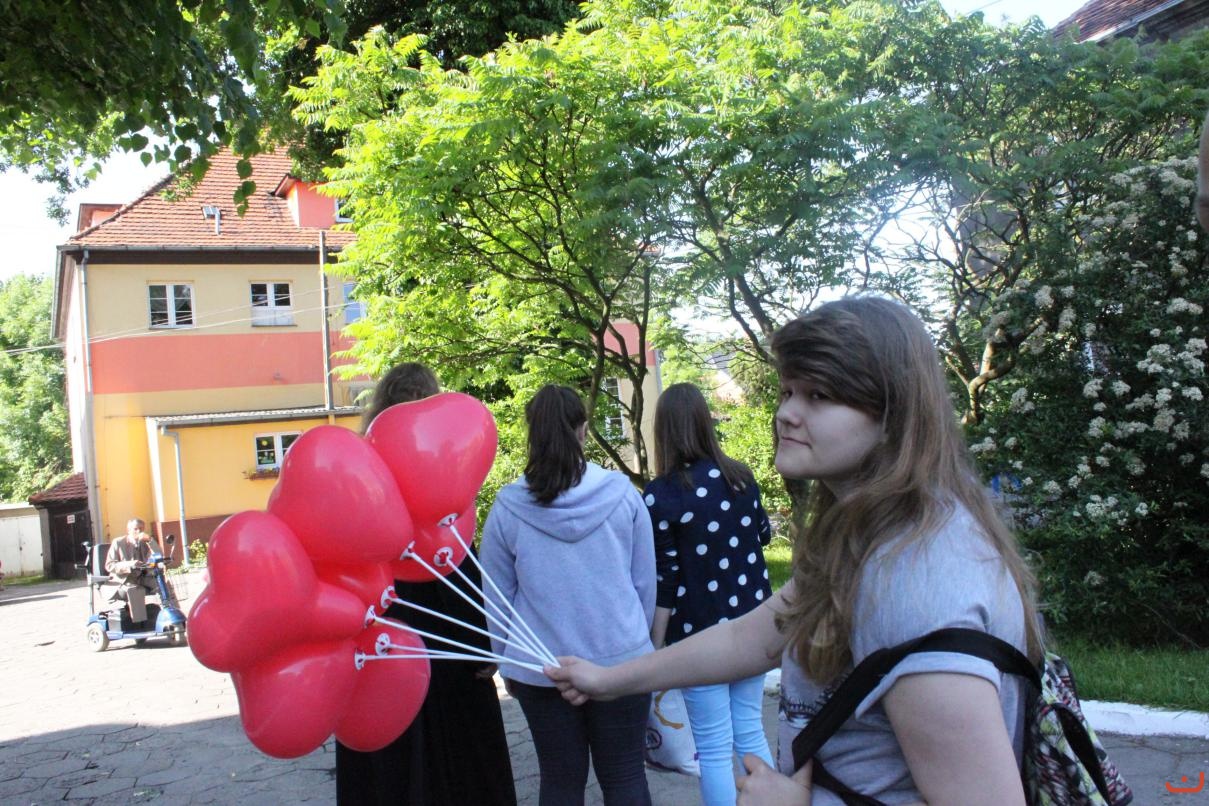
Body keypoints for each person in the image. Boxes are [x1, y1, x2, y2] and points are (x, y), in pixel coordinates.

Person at [547, 296, 1044, 806]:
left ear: (893, 415)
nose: (785, 413)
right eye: (788, 391)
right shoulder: (876, 538)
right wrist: (610, 680)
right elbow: (749, 638)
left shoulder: (917, 582)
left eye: (819, 395)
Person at [336, 362, 516, 806]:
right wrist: (483, 642)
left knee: (391, 759)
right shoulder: (438, 472)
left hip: (380, 633)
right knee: (461, 762)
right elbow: (455, 560)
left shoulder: (359, 473)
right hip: (443, 636)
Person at [480, 384, 657, 806]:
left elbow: (496, 598)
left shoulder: (508, 508)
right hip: (622, 661)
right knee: (626, 777)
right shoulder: (624, 496)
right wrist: (638, 644)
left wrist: (506, 660)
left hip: (542, 668)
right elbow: (644, 583)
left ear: (533, 434)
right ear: (583, 430)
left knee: (560, 781)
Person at [643, 382, 775, 805]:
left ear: (664, 431)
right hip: (754, 625)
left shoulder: (660, 495)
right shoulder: (741, 478)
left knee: (714, 749)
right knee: (750, 728)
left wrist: (655, 646)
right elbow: (764, 535)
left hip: (698, 637)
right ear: (705, 422)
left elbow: (665, 576)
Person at [105, 518, 157, 623]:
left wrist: (150, 541)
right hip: (124, 580)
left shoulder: (145, 543)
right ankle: (139, 624)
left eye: (142, 529)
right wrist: (130, 564)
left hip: (143, 577)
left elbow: (158, 555)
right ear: (128, 530)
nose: (139, 531)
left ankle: (173, 616)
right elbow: (109, 565)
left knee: (163, 584)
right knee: (135, 590)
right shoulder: (118, 543)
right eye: (136, 529)